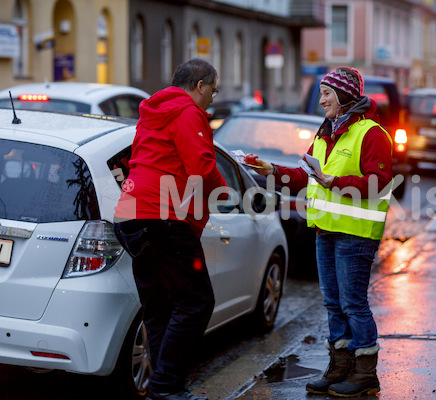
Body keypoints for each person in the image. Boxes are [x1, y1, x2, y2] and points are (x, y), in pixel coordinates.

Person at [251, 66, 393, 397]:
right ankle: (339, 367)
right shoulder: (326, 131)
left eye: (327, 93)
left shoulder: (371, 134)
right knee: (333, 302)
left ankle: (365, 372)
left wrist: (336, 183)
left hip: (355, 234)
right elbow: (306, 178)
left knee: (353, 303)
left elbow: (381, 183)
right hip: (325, 230)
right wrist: (271, 170)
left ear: (344, 96)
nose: (321, 100)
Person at [113, 58, 227, 400]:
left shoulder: (151, 112)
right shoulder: (188, 112)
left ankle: (163, 386)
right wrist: (228, 191)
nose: (213, 98)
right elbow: (202, 167)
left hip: (132, 214)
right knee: (197, 301)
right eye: (213, 90)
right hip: (161, 216)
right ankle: (166, 385)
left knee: (159, 305)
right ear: (200, 86)